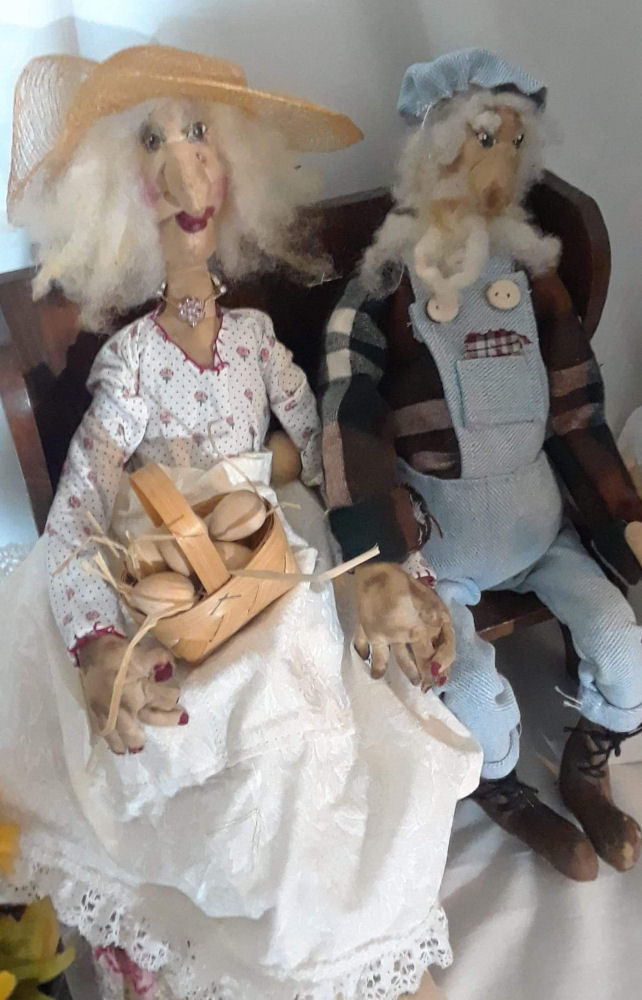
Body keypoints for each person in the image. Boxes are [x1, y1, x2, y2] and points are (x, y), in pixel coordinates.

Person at [0, 45, 480, 1000]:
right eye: (153, 143)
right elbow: (80, 504)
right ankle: (253, 950)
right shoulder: (132, 361)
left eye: (198, 135)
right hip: (180, 575)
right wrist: (97, 640)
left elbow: (327, 446)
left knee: (322, 722)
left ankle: (343, 947)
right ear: (117, 194)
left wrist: (379, 558)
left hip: (271, 557)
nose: (186, 167)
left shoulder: (258, 342)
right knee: (216, 739)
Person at [320, 48, 642, 883]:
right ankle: (502, 787)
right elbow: (348, 417)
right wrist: (380, 561)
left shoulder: (533, 279)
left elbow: (577, 410)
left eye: (510, 142)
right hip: (446, 553)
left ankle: (587, 767)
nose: (493, 165)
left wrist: (621, 516)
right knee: (468, 691)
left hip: (543, 532)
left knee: (624, 644)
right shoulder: (385, 286)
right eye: (478, 139)